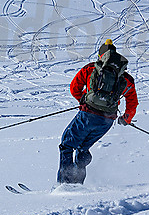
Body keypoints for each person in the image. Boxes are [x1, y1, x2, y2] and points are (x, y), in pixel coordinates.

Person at [58, 40, 138, 184]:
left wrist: (83, 100)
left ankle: (64, 184)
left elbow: (74, 88)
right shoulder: (125, 78)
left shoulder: (90, 69)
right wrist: (125, 119)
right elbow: (132, 103)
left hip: (87, 115)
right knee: (83, 147)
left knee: (67, 144)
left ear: (101, 55)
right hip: (107, 121)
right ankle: (77, 184)